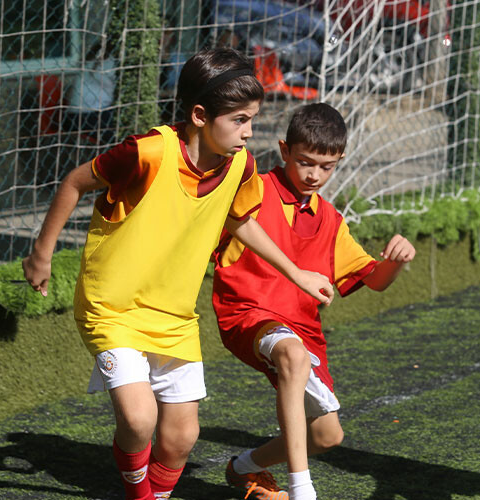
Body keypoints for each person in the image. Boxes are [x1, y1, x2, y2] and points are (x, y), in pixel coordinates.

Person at [21, 48, 334, 500]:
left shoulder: (240, 165)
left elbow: (240, 219)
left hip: (174, 316)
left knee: (181, 439)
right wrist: (42, 253)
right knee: (139, 419)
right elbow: (74, 182)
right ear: (200, 116)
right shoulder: (148, 152)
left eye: (252, 119)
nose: (249, 132)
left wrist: (296, 273)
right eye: (240, 120)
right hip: (113, 307)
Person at [212, 103, 416, 500]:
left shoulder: (331, 220)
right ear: (284, 150)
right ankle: (302, 490)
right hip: (248, 313)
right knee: (292, 353)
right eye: (305, 163)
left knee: (326, 436)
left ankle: (244, 467)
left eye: (327, 167)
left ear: (339, 161)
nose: (314, 175)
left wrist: (396, 262)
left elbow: (374, 280)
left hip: (301, 328)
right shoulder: (255, 188)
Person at [64, 40, 117, 146]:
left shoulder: (90, 60)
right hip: (90, 116)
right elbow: (116, 94)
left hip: (72, 117)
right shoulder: (109, 63)